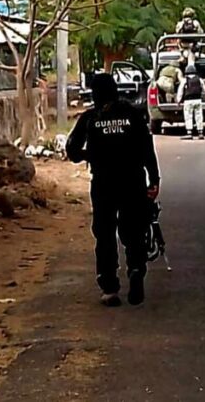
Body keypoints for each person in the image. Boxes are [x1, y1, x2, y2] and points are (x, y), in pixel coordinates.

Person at [65, 73, 160, 308]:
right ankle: (136, 269)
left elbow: (72, 151)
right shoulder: (133, 115)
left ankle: (109, 287)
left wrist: (92, 154)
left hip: (103, 184)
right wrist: (154, 179)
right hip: (133, 181)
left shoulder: (90, 118)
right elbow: (147, 148)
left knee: (105, 233)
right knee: (134, 230)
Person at [176, 64, 205, 140]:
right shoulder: (199, 79)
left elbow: (180, 91)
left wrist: (178, 100)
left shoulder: (184, 80)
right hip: (198, 100)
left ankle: (189, 133)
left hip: (188, 101)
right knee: (199, 116)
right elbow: (204, 89)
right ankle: (200, 132)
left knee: (188, 116)